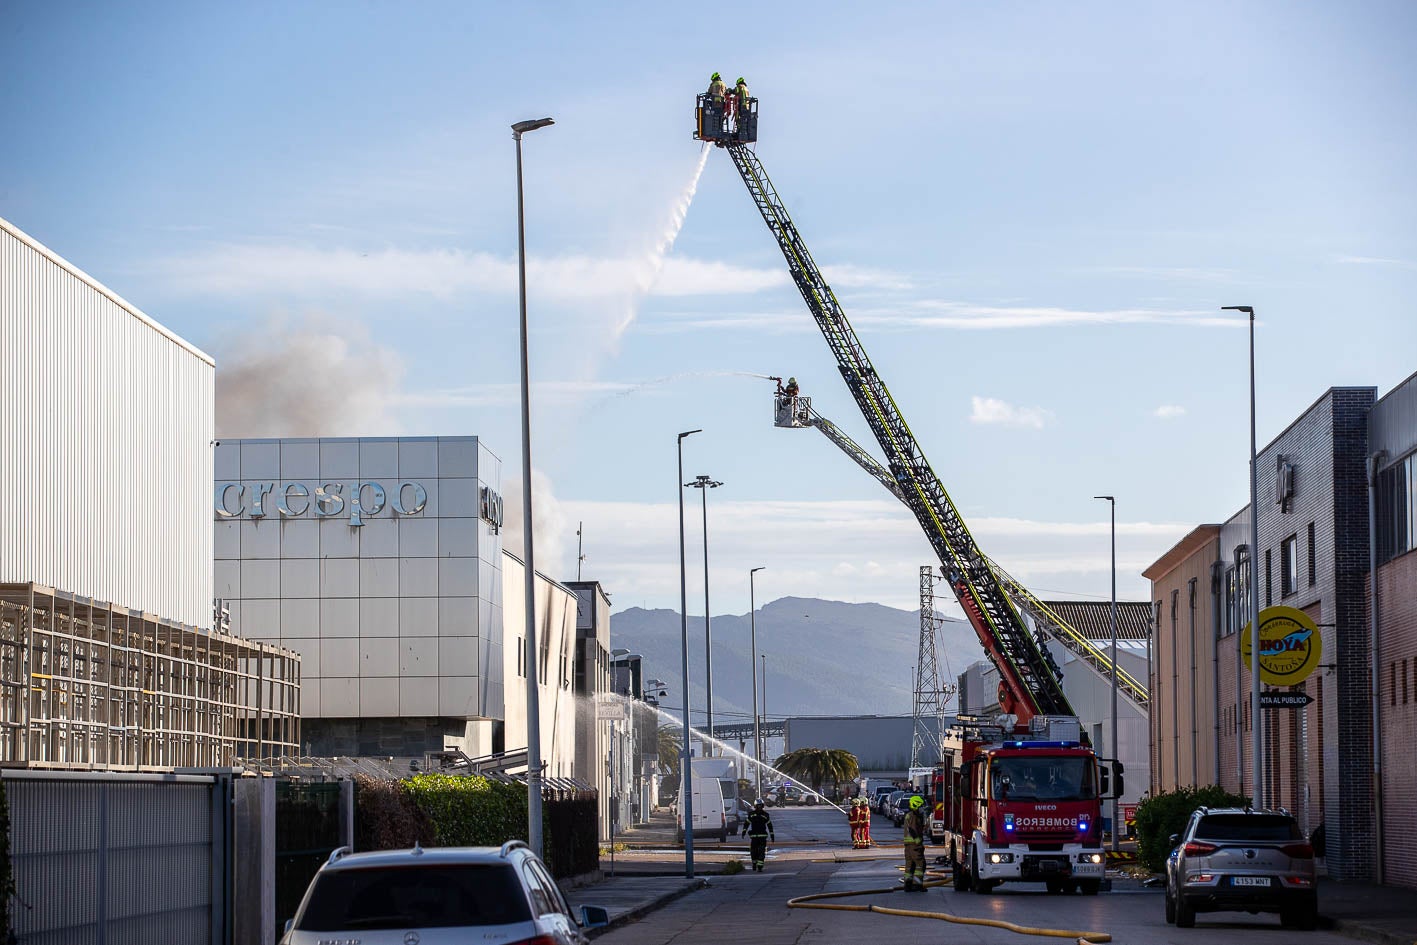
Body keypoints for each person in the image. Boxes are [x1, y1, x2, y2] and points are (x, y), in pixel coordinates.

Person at [901, 794, 927, 891]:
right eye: (920, 806)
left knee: (909, 866)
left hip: (908, 845)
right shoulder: (914, 816)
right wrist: (918, 842)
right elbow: (912, 830)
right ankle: (917, 884)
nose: (921, 809)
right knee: (920, 865)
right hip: (914, 846)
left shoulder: (909, 815)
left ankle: (908, 885)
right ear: (915, 805)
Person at [742, 798, 775, 871]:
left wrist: (744, 832)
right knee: (760, 852)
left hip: (754, 837)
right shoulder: (766, 815)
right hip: (762, 837)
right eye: (759, 806)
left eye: (760, 806)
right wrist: (772, 835)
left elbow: (746, 824)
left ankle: (755, 864)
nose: (759, 808)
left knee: (754, 851)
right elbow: (770, 826)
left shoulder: (751, 814)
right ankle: (759, 866)